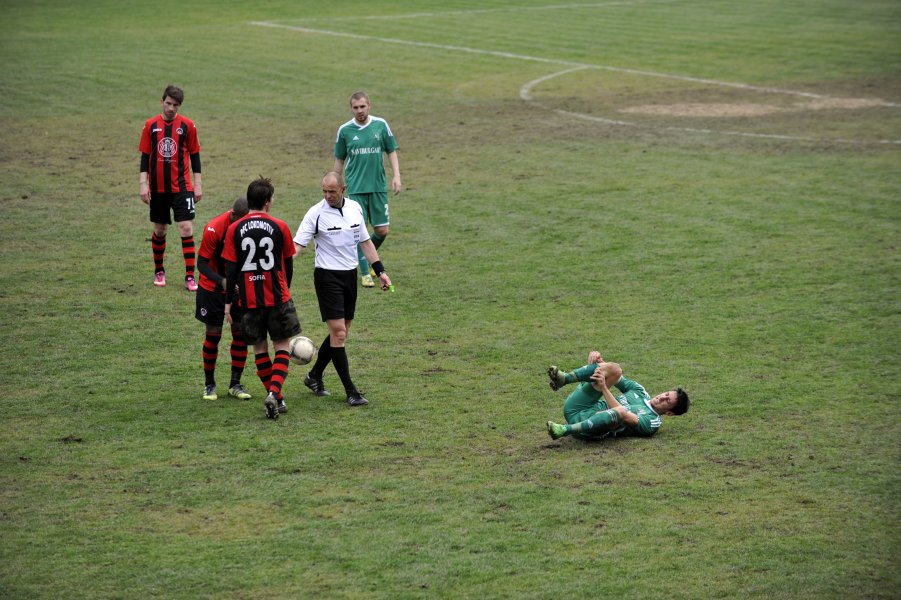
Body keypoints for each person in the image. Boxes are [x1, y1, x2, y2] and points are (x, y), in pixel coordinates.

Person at [293, 171, 393, 406]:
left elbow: (365, 241)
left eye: (332, 192)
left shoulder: (355, 208)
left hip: (349, 276)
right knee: (339, 333)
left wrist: (381, 271)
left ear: (343, 190)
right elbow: (298, 246)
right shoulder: (315, 213)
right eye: (324, 191)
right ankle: (351, 392)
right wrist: (279, 265)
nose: (327, 196)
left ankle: (314, 375)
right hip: (327, 277)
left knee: (342, 332)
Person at [222, 178, 300, 420]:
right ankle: (274, 394)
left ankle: (276, 396)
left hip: (248, 300)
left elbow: (231, 269)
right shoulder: (280, 227)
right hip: (277, 296)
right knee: (283, 346)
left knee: (259, 349)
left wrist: (227, 303)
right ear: (267, 202)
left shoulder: (234, 229)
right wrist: (285, 289)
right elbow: (287, 264)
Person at [333, 91, 400, 288]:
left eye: (362, 106)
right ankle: (365, 274)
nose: (359, 111)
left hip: (378, 187)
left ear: (369, 105)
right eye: (355, 107)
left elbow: (391, 151)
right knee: (359, 233)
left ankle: (369, 261)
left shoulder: (380, 125)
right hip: (355, 189)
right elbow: (339, 160)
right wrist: (334, 186)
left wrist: (397, 175)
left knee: (382, 230)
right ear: (351, 108)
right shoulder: (344, 130)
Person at [138, 84, 203, 291]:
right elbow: (145, 157)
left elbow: (195, 156)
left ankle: (190, 276)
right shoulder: (150, 125)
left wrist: (198, 185)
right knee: (160, 229)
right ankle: (159, 271)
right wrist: (143, 184)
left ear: (179, 106)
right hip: (157, 189)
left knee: (186, 228)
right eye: (168, 103)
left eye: (175, 105)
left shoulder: (188, 126)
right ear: (161, 102)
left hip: (182, 187)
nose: (171, 108)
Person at [545, 350, 689, 440]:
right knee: (616, 369)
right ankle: (564, 379)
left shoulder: (652, 421)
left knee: (621, 411)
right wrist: (599, 361)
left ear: (669, 413)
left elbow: (624, 415)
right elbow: (613, 373)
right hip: (577, 409)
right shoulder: (640, 392)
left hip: (588, 429)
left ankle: (564, 430)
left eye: (667, 401)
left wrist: (604, 389)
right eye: (666, 394)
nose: (662, 397)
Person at [195, 196, 253, 402]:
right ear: (233, 214)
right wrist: (221, 281)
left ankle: (235, 384)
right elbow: (201, 264)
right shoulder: (214, 229)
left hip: (238, 289)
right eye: (240, 220)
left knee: (240, 334)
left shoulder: (248, 228)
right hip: (212, 289)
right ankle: (209, 385)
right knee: (213, 335)